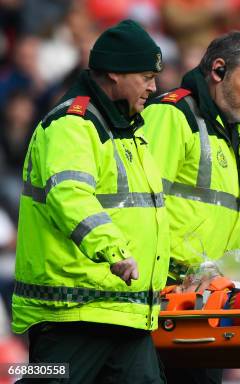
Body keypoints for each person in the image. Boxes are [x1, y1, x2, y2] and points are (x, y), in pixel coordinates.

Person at [12, 20, 168, 383]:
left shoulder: (129, 131)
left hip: (124, 310)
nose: (154, 86)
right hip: (73, 312)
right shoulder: (72, 125)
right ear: (114, 73)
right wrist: (113, 250)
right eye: (146, 75)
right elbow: (70, 196)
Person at [142, 31, 240, 383]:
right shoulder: (171, 117)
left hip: (211, 300)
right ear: (218, 70)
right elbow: (143, 203)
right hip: (168, 298)